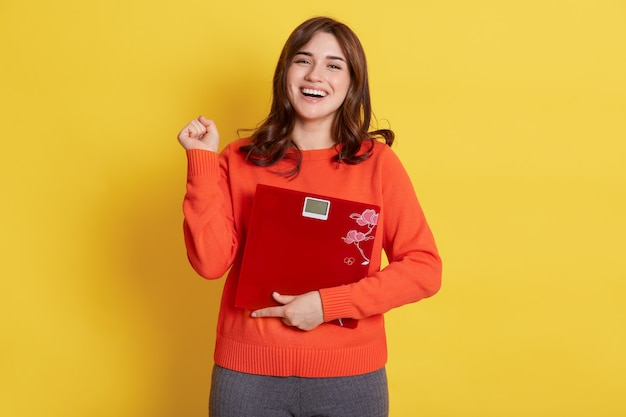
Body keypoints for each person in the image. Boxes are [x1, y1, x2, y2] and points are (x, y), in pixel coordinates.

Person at [177, 16, 442, 417]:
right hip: (247, 375)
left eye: (334, 65)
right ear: (285, 72)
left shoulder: (378, 165)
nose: (315, 75)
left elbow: (424, 269)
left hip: (350, 378)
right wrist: (202, 161)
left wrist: (328, 304)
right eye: (303, 61)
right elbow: (210, 263)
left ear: (353, 83)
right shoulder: (237, 158)